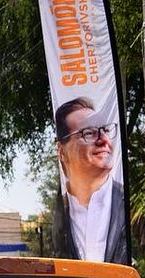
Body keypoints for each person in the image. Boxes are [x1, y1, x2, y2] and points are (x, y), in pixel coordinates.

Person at [51, 97, 128, 265]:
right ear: (62, 151)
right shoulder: (59, 215)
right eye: (89, 133)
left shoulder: (125, 202)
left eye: (105, 130)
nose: (104, 140)